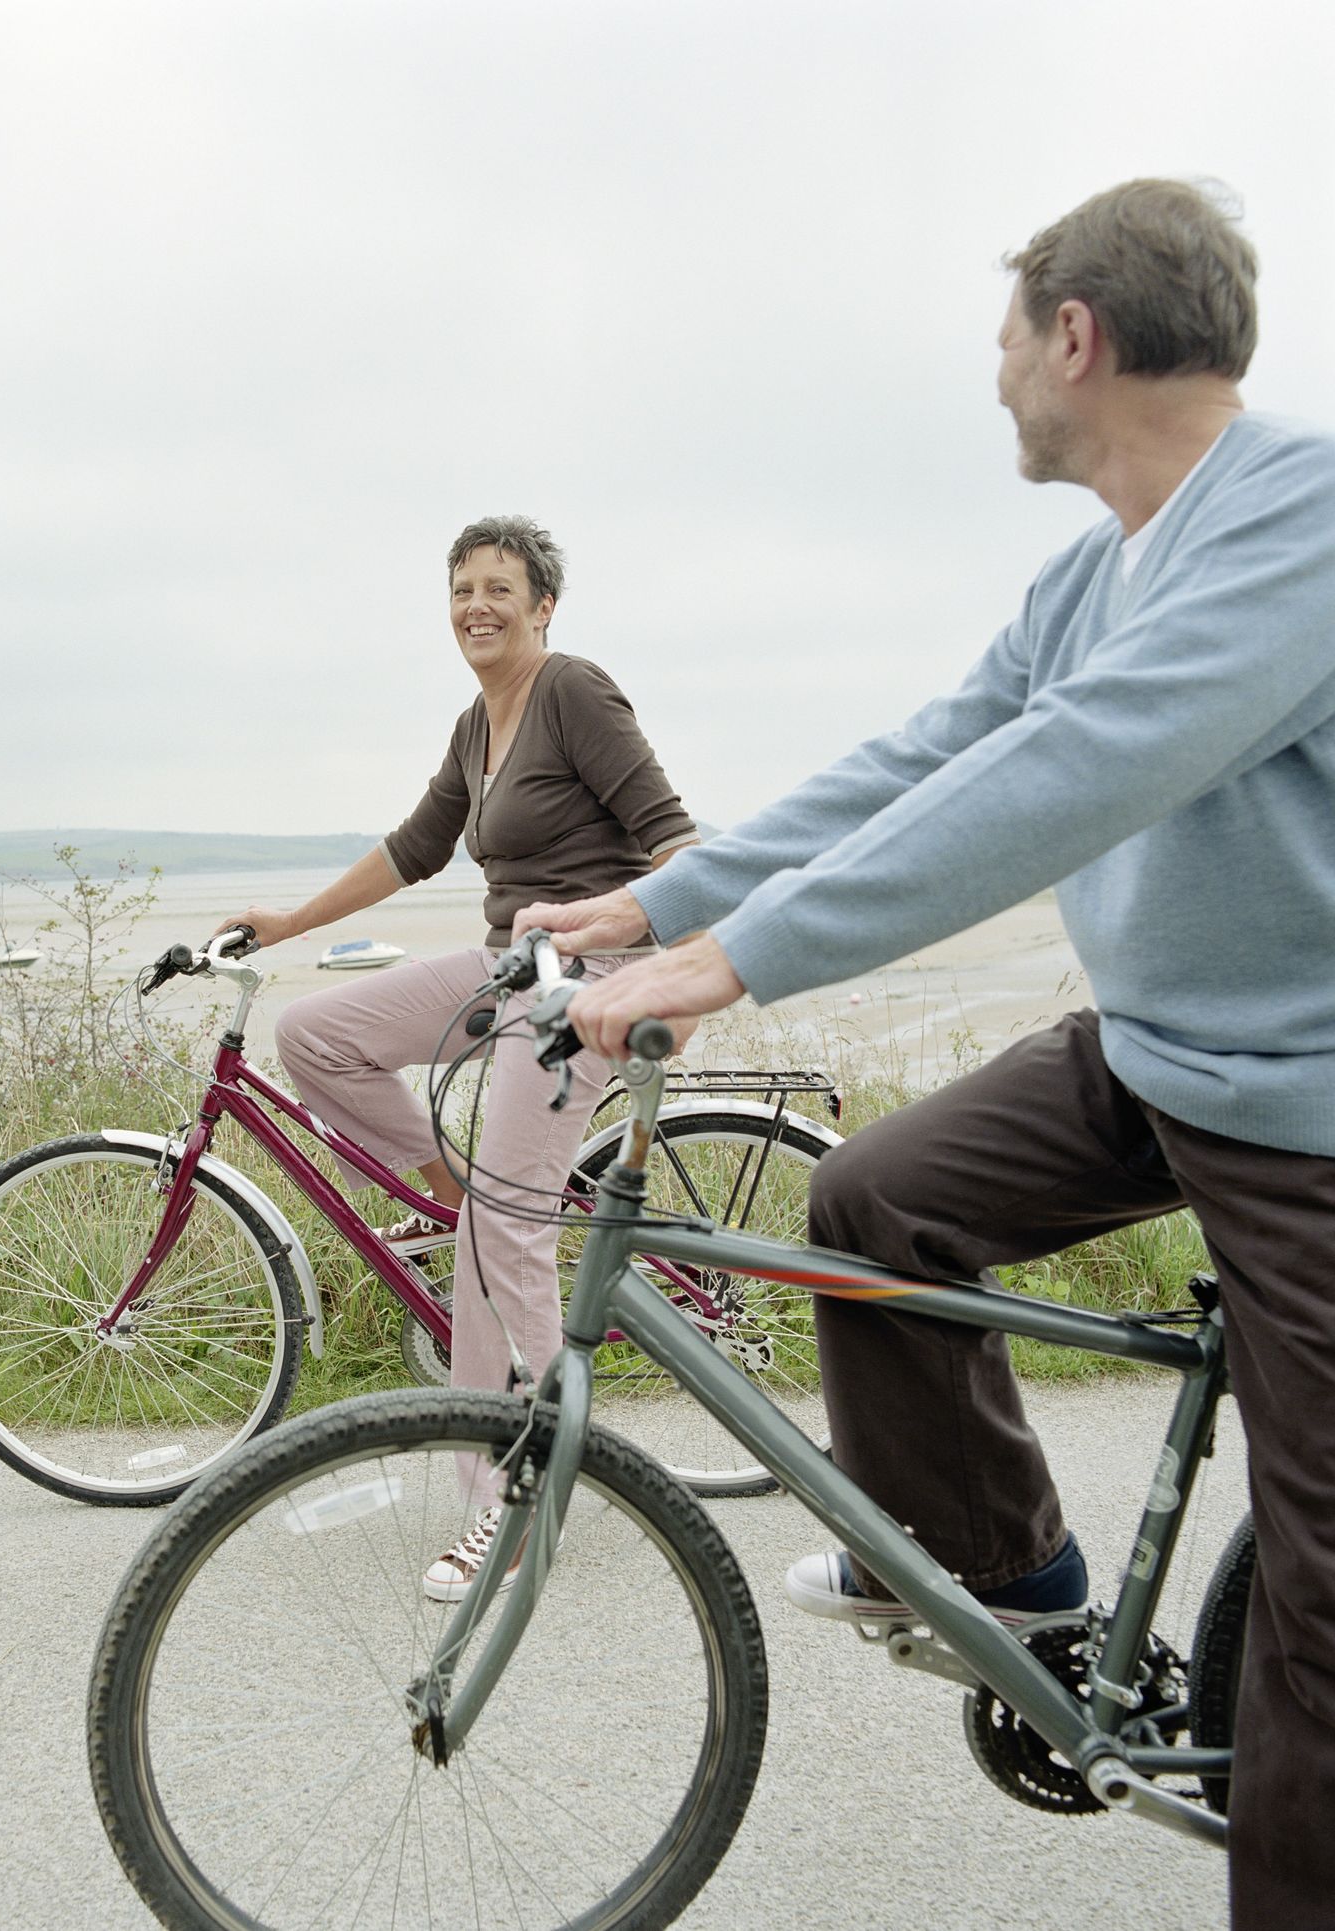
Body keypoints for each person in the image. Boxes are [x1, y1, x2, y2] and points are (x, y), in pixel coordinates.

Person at [521, 179, 1334, 1926]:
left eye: (1003, 342)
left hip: (1315, 1112)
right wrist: (661, 906)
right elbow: (932, 757)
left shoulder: (1302, 521)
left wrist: (740, 963)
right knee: (879, 1206)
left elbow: (1079, 773)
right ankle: (1014, 1581)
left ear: (1076, 336)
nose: (996, 383)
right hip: (1159, 1055)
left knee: (1323, 1628)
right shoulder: (1092, 570)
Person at [214, 514, 699, 1598]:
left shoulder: (575, 690)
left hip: (588, 981)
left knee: (502, 1232)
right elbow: (414, 847)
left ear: (543, 606)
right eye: (461, 589)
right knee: (318, 1034)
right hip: (503, 964)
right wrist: (290, 923)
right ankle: (458, 1190)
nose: (476, 605)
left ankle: (514, 1504)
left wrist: (630, 937)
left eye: (498, 589)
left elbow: (678, 842)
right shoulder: (478, 723)